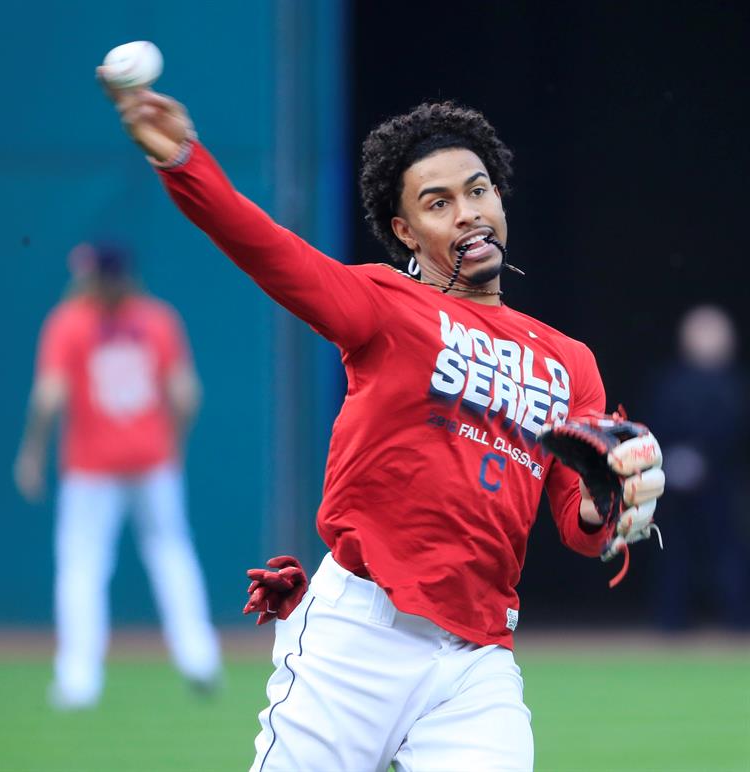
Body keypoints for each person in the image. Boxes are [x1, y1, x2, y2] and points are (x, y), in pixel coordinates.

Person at [99, 80, 665, 771]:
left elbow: (578, 526)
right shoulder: (385, 306)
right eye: (438, 203)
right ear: (404, 232)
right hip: (357, 637)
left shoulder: (570, 361)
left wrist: (611, 506)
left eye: (478, 189)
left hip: (477, 658)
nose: (469, 213)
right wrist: (185, 162)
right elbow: (269, 250)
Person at [14, 241, 221, 709]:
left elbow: (50, 395)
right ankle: (199, 659)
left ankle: (79, 679)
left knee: (83, 567)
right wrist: (173, 445)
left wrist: (31, 452)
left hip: (91, 467)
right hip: (152, 460)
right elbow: (186, 394)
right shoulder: (158, 318)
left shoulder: (69, 321)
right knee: (171, 554)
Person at [646, 305, 749, 630]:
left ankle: (739, 624)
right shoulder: (668, 382)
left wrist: (706, 460)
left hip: (722, 484)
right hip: (672, 483)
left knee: (728, 555)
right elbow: (652, 424)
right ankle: (669, 624)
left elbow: (736, 431)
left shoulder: (737, 385)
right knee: (673, 553)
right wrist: (674, 460)